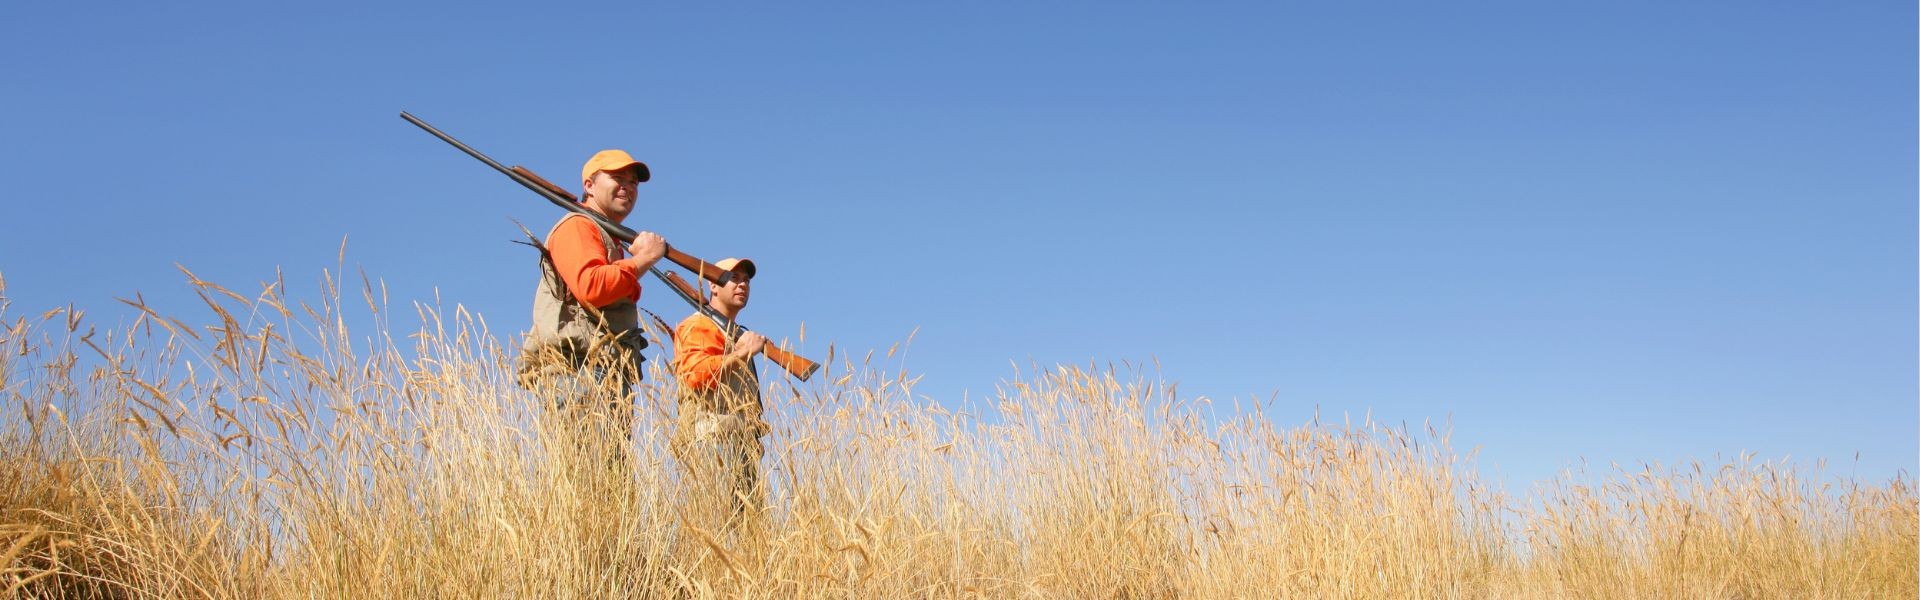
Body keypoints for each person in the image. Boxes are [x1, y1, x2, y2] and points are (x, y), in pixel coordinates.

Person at [517, 149, 667, 486]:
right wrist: (642, 260)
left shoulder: (606, 236)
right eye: (617, 178)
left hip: (601, 374)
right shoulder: (578, 225)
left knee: (610, 487)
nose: (628, 186)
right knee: (592, 482)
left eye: (633, 182)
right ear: (588, 185)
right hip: (580, 373)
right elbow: (592, 286)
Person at [670, 257, 770, 531]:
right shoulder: (699, 325)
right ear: (713, 286)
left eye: (746, 280)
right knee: (712, 529)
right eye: (733, 278)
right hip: (712, 443)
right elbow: (696, 375)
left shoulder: (735, 333)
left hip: (741, 446)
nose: (742, 285)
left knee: (748, 534)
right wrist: (742, 353)